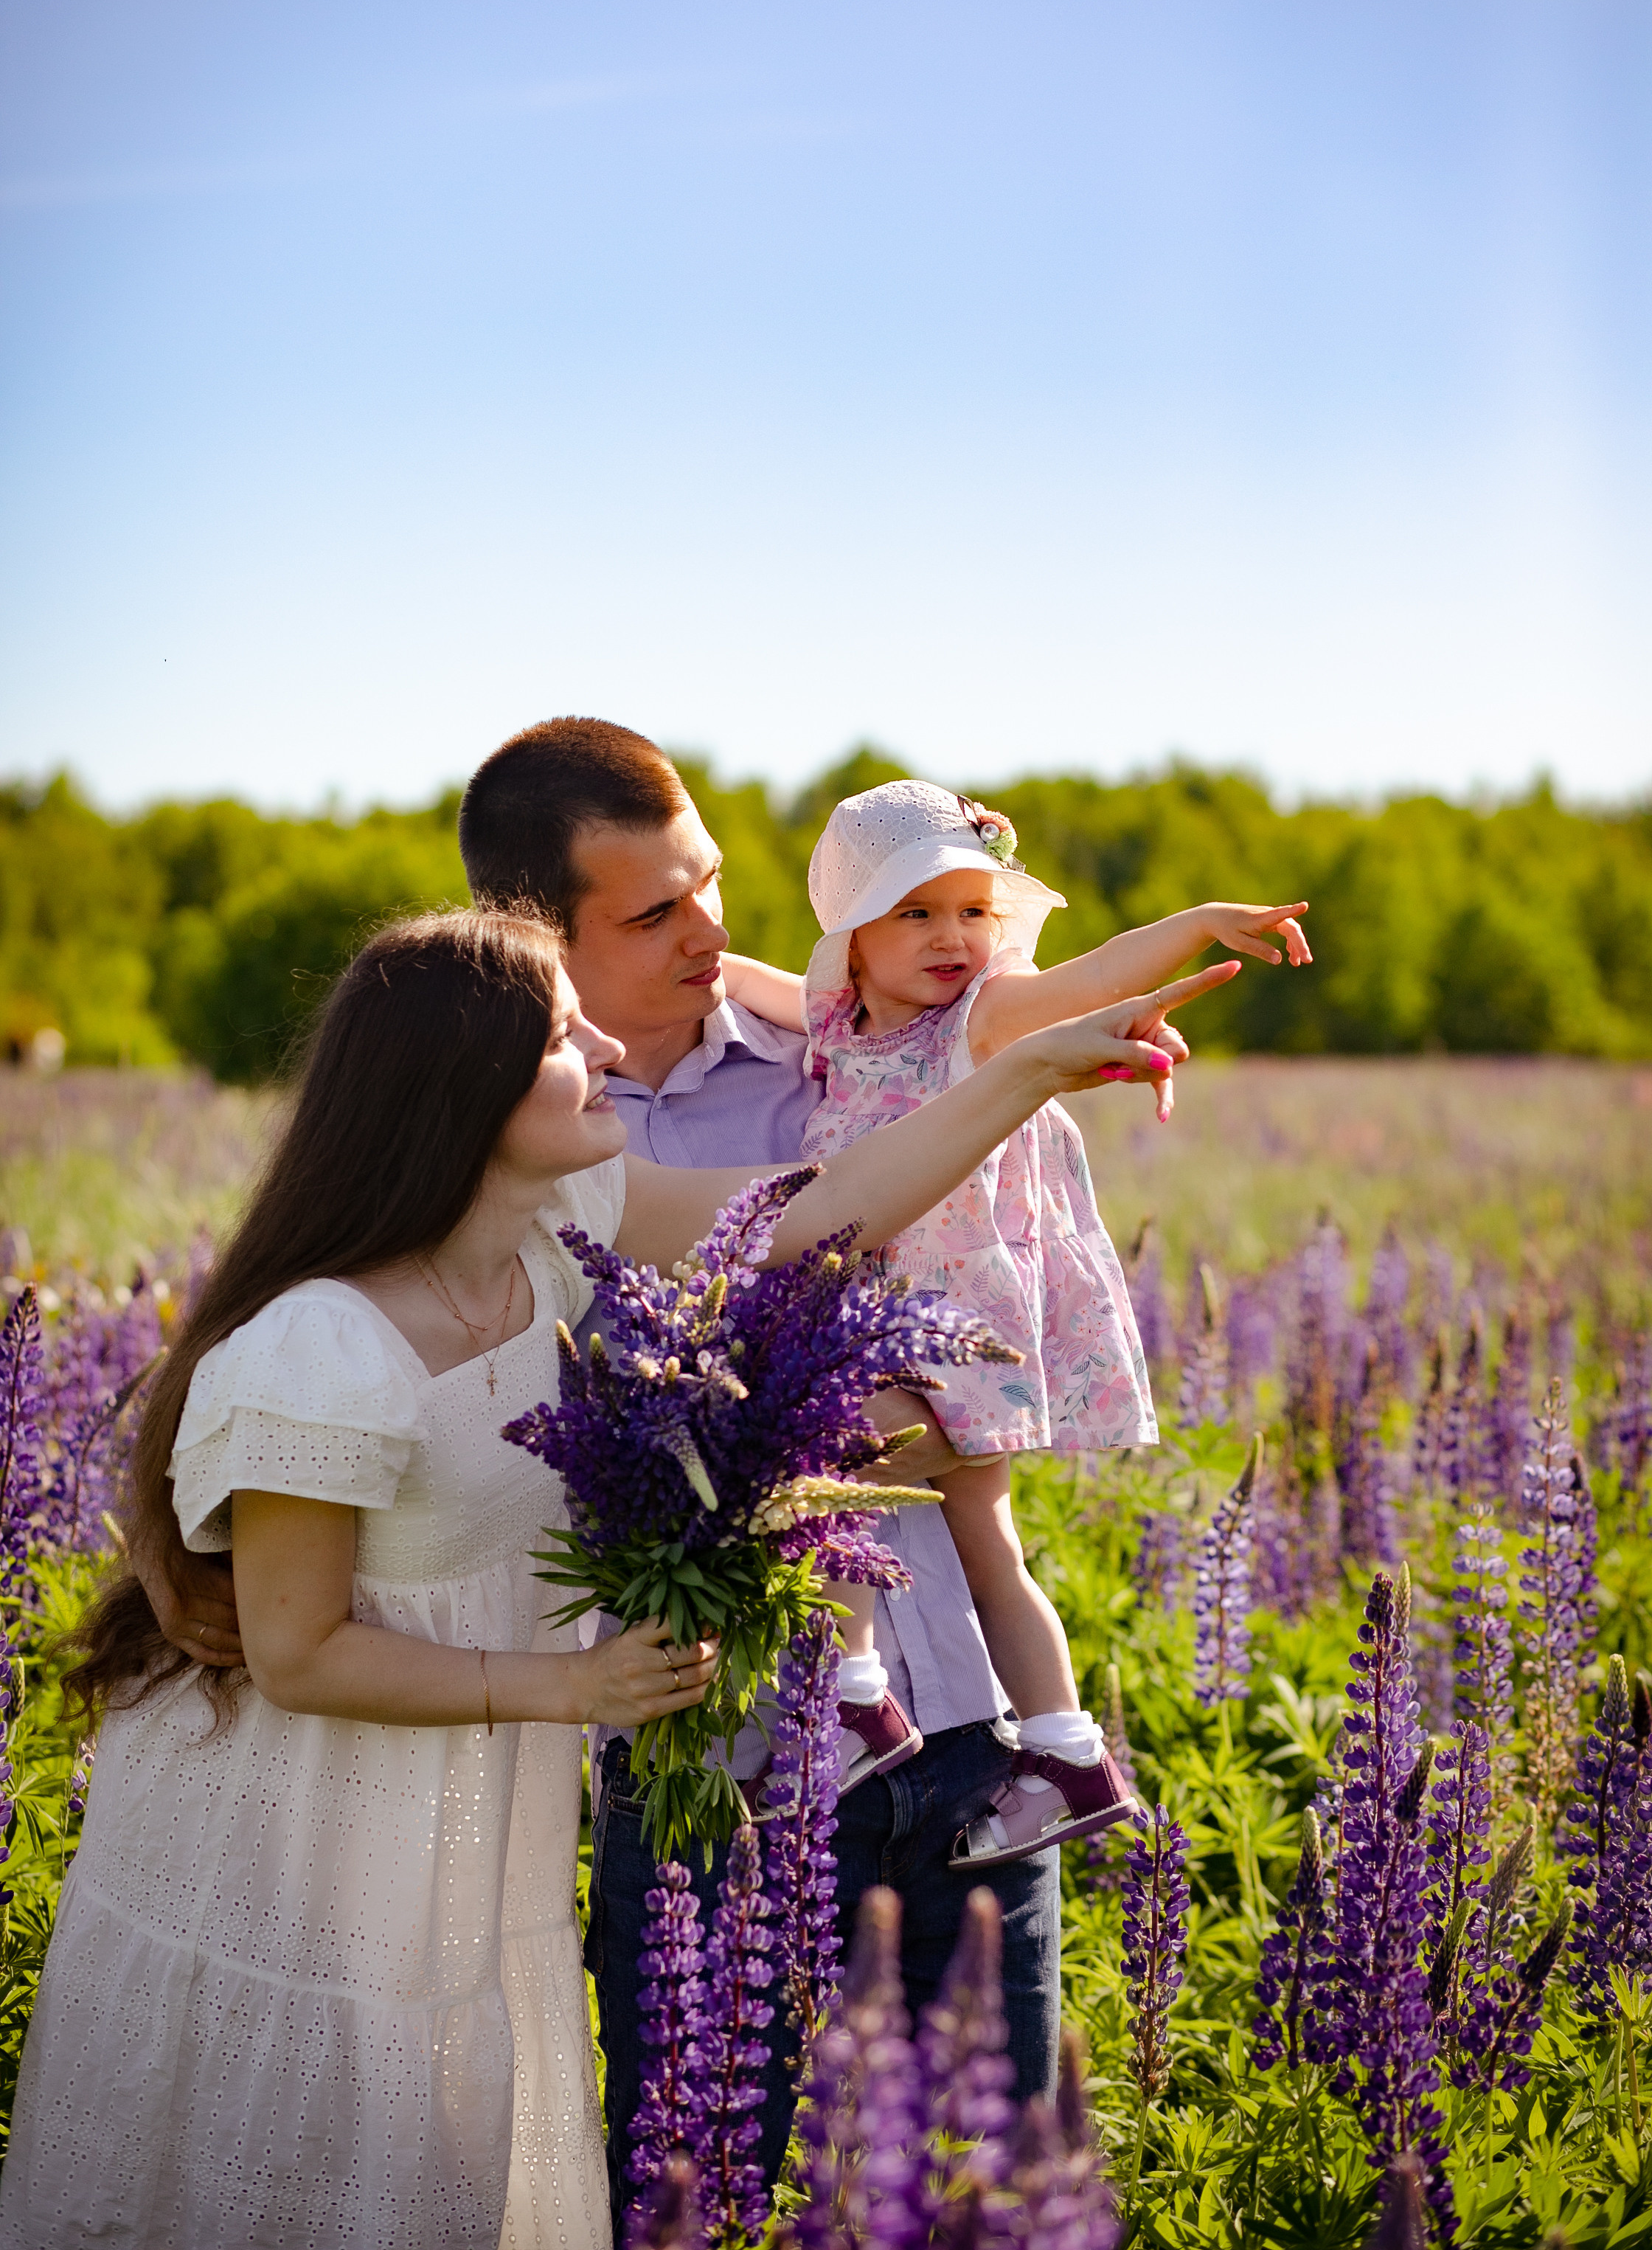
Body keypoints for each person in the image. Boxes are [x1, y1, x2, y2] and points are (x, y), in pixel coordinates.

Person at [4, 904, 1194, 2250]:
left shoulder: (555, 1224)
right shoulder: (318, 1349)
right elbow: (298, 1652)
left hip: (467, 1812)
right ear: (467, 1091)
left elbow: (811, 1213)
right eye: (566, 1035)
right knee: (303, 2156)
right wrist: (574, 1683)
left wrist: (1031, 1068)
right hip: (302, 1829)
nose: (607, 1044)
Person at [454, 718, 1225, 2237]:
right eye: (654, 911)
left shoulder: (847, 1039)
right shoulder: (512, 1139)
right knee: (698, 2177)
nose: (712, 932)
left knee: (996, 2179)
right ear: (536, 939)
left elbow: (982, 1245)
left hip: (949, 1722)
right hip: (701, 1755)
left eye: (715, 886)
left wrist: (942, 1428)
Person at [721, 777, 1310, 1866]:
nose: (955, 936)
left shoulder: (982, 1017)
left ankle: (850, 1699)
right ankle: (1067, 1750)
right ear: (849, 940)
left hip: (967, 1335)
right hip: (900, 1327)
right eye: (916, 912)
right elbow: (741, 980)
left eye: (975, 910)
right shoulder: (838, 1022)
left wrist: (1188, 930)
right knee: (989, 1545)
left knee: (821, 1426)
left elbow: (1087, 980)